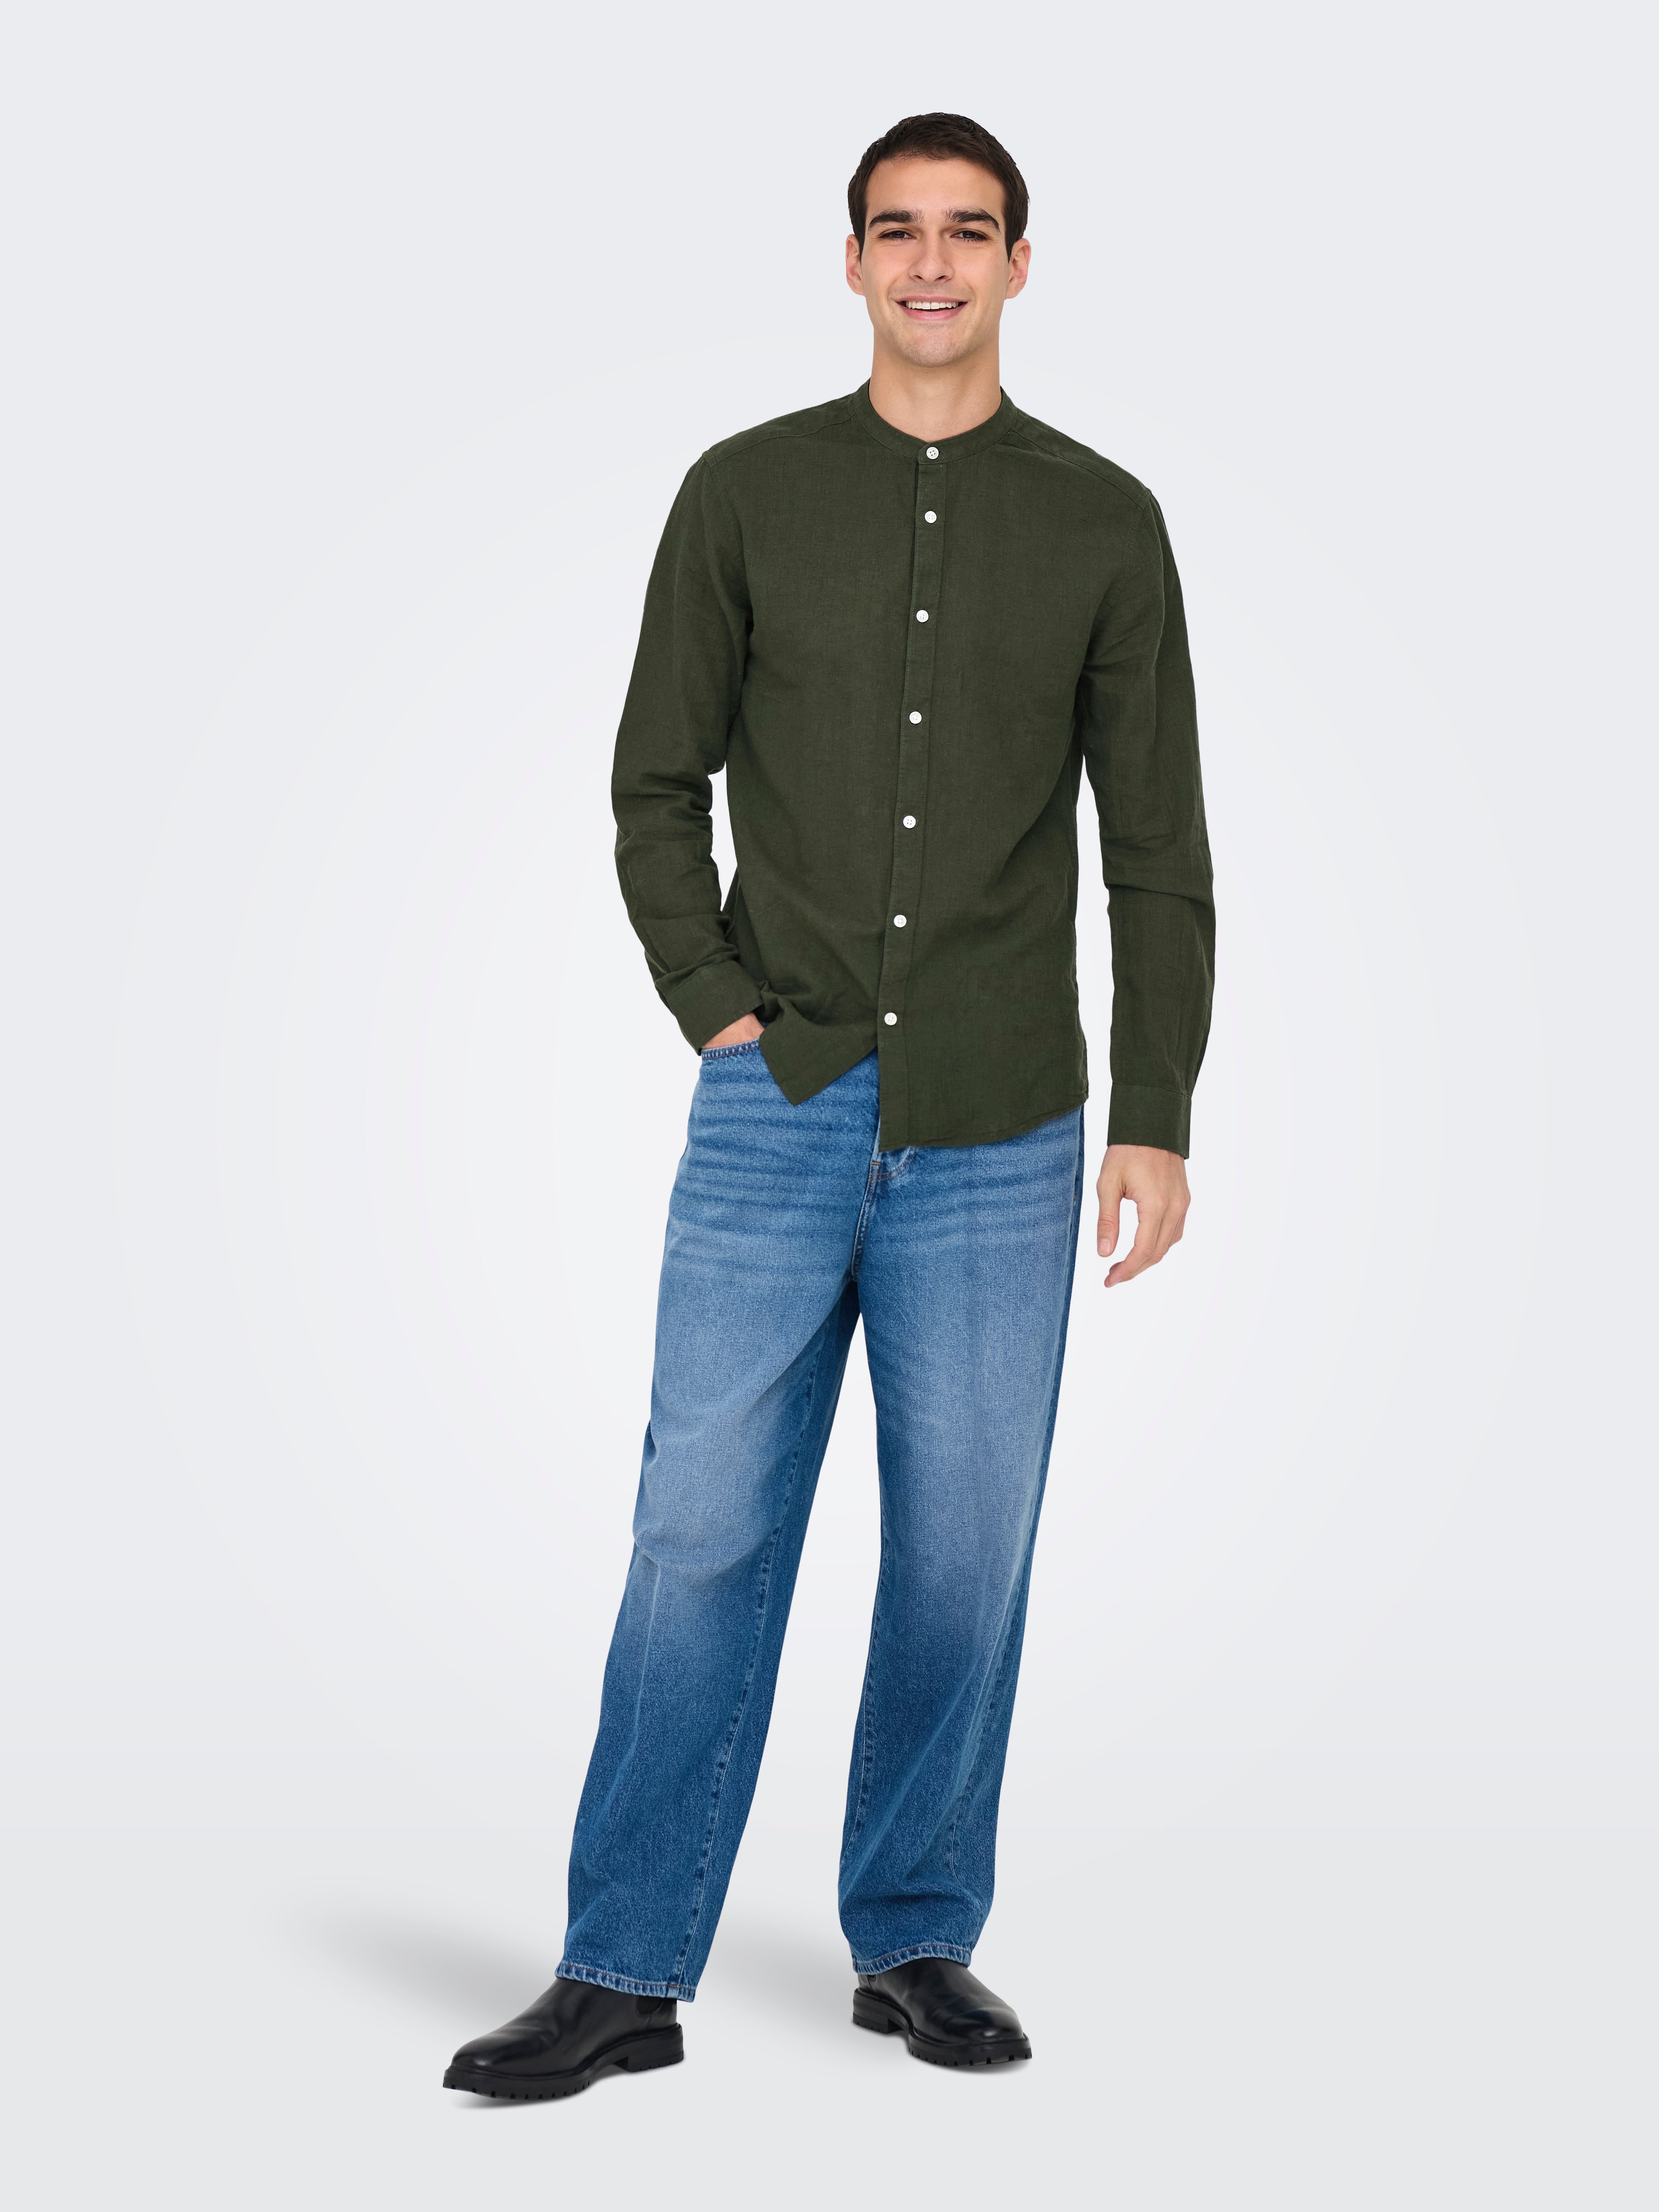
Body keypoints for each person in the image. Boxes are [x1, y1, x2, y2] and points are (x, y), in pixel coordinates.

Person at [444, 111, 1214, 2101]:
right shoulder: (745, 494)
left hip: (1006, 1126)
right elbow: (652, 782)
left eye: (969, 231)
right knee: (700, 1529)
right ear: (853, 259)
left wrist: (1156, 1110)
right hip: (777, 1101)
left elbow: (1159, 851)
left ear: (1021, 264)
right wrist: (710, 1002)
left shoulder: (1107, 521)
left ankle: (916, 1936)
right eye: (898, 230)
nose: (932, 262)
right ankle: (621, 1971)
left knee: (965, 1552)